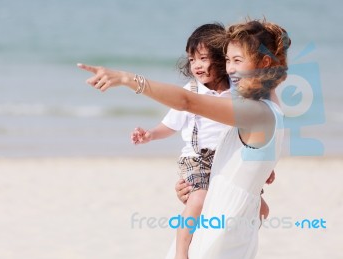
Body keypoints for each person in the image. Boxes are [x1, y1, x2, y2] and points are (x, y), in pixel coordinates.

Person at [78, 18, 290, 259]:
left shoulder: (255, 113)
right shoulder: (271, 108)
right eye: (228, 60)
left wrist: (128, 79)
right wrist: (196, 192)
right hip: (229, 227)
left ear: (264, 63)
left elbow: (187, 102)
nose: (230, 69)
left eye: (237, 61)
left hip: (219, 236)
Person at [129, 23, 272, 259]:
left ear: (221, 59)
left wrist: (266, 166)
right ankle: (182, 252)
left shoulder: (238, 91)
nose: (196, 65)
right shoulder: (191, 92)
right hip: (198, 160)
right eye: (191, 59)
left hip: (230, 159)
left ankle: (229, 244)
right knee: (198, 199)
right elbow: (170, 125)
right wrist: (150, 134)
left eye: (203, 58)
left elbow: (254, 132)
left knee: (261, 208)